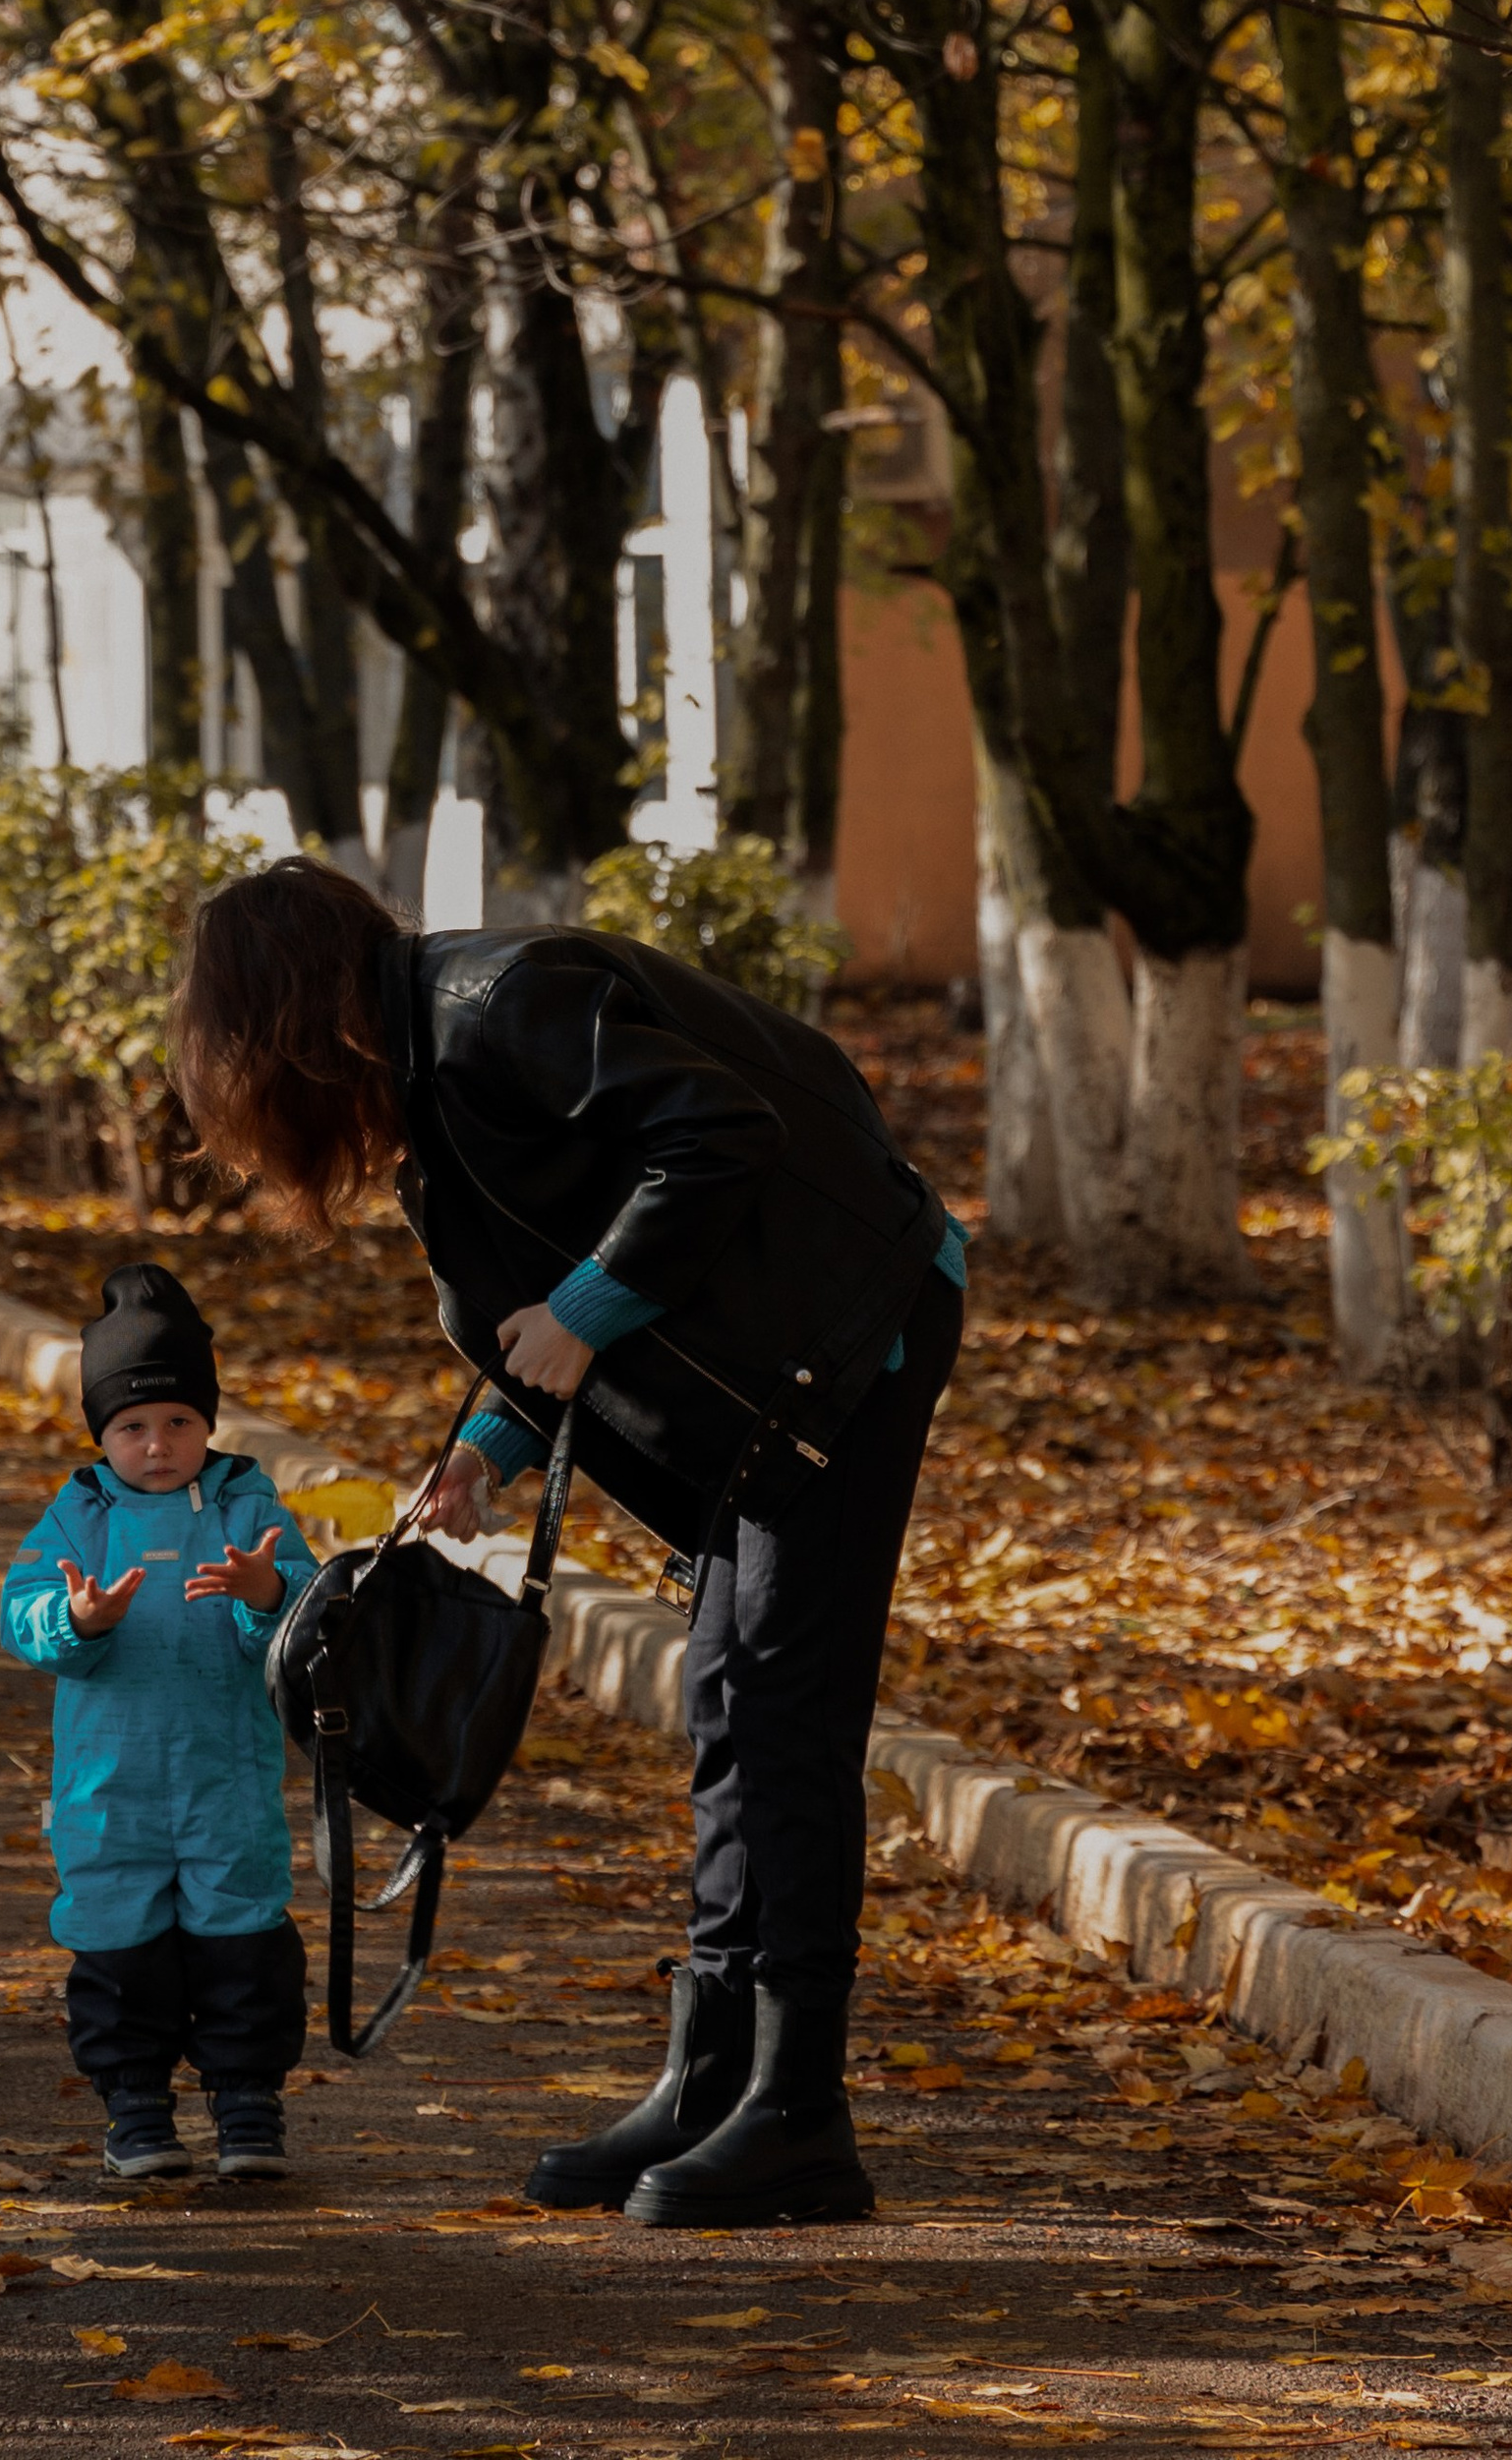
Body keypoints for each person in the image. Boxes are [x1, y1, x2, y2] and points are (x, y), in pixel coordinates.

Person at [169, 858, 966, 2233]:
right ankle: (713, 2074)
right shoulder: (433, 1107)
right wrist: (485, 1456)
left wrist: (590, 1310)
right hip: (775, 1369)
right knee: (727, 1704)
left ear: (288, 1022)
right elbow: (530, 1317)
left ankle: (801, 2114)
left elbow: (722, 1132)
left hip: (856, 1328)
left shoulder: (499, 1006)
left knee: (785, 1704)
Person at [0, 1264, 320, 2182]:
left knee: (244, 1936)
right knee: (117, 1938)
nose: (157, 1444)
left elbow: (305, 1612)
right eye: (132, 1426)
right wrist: (79, 1620)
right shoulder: (79, 1512)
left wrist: (267, 1592)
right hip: (111, 1787)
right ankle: (136, 2104)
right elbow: (21, 1612)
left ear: (207, 1423)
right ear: (103, 1434)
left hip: (225, 1775)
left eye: (179, 1421)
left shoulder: (246, 1504)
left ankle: (248, 2103)